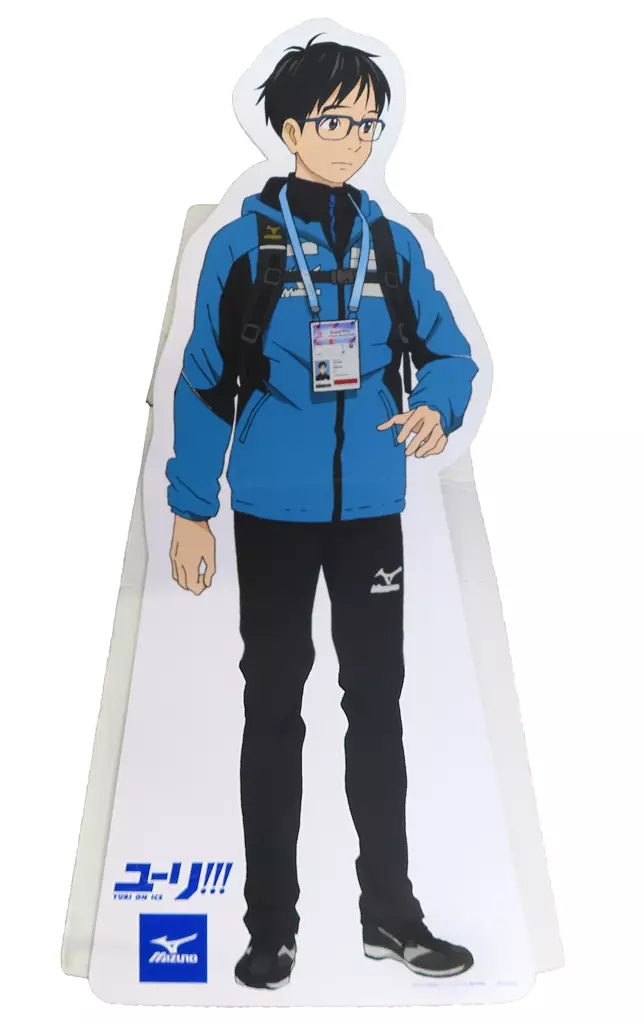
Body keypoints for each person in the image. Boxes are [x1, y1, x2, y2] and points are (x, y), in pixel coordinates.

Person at [166, 34, 479, 990]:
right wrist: (191, 510)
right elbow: (203, 381)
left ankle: (392, 917)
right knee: (272, 711)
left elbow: (451, 353)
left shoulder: (391, 243)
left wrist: (437, 407)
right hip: (269, 513)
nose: (354, 139)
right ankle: (272, 928)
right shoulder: (240, 246)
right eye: (335, 121)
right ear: (292, 129)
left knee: (376, 709)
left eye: (367, 123)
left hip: (371, 512)